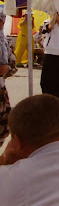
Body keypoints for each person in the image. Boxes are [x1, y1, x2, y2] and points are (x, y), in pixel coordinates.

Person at [40, 12, 59, 99]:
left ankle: (56, 99)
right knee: (46, 80)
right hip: (49, 54)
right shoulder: (47, 22)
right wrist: (53, 18)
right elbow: (49, 28)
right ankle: (46, 99)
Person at [0, 9, 15, 147]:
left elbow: (13, 63)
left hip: (1, 90)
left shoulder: (4, 41)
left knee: (4, 126)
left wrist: (7, 69)